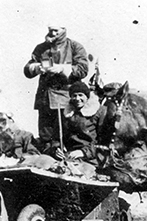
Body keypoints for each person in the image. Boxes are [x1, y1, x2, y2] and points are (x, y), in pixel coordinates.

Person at [23, 25, 89, 155]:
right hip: (45, 100)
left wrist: (63, 68)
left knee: (66, 136)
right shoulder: (41, 48)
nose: (52, 33)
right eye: (50, 30)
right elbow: (27, 69)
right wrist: (37, 68)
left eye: (56, 30)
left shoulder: (75, 47)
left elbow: (83, 69)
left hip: (66, 101)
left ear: (64, 29)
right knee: (46, 138)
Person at [49, 81, 106, 165]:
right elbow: (56, 137)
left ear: (87, 97)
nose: (77, 98)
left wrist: (83, 152)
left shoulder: (99, 112)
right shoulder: (65, 113)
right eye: (74, 95)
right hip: (69, 157)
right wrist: (56, 149)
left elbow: (103, 141)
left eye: (80, 95)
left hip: (91, 158)